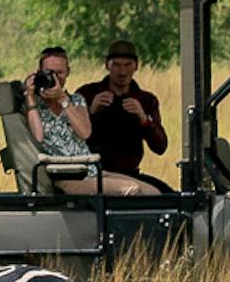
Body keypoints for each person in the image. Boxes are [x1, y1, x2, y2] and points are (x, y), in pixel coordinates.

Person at [24, 48, 156, 197]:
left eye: (59, 73)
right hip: (67, 177)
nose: (54, 78)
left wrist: (62, 98)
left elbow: (85, 132)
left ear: (68, 72)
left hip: (91, 171)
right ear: (39, 73)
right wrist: (29, 96)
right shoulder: (34, 106)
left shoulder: (76, 100)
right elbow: (38, 137)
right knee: (131, 189)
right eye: (49, 73)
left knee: (153, 193)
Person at [76, 39, 172, 195]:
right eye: (117, 65)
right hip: (94, 173)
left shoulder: (146, 100)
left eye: (127, 65)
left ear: (136, 66)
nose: (122, 72)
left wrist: (143, 119)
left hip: (130, 174)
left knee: (167, 196)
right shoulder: (87, 93)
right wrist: (90, 112)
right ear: (107, 65)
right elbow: (70, 137)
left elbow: (160, 147)